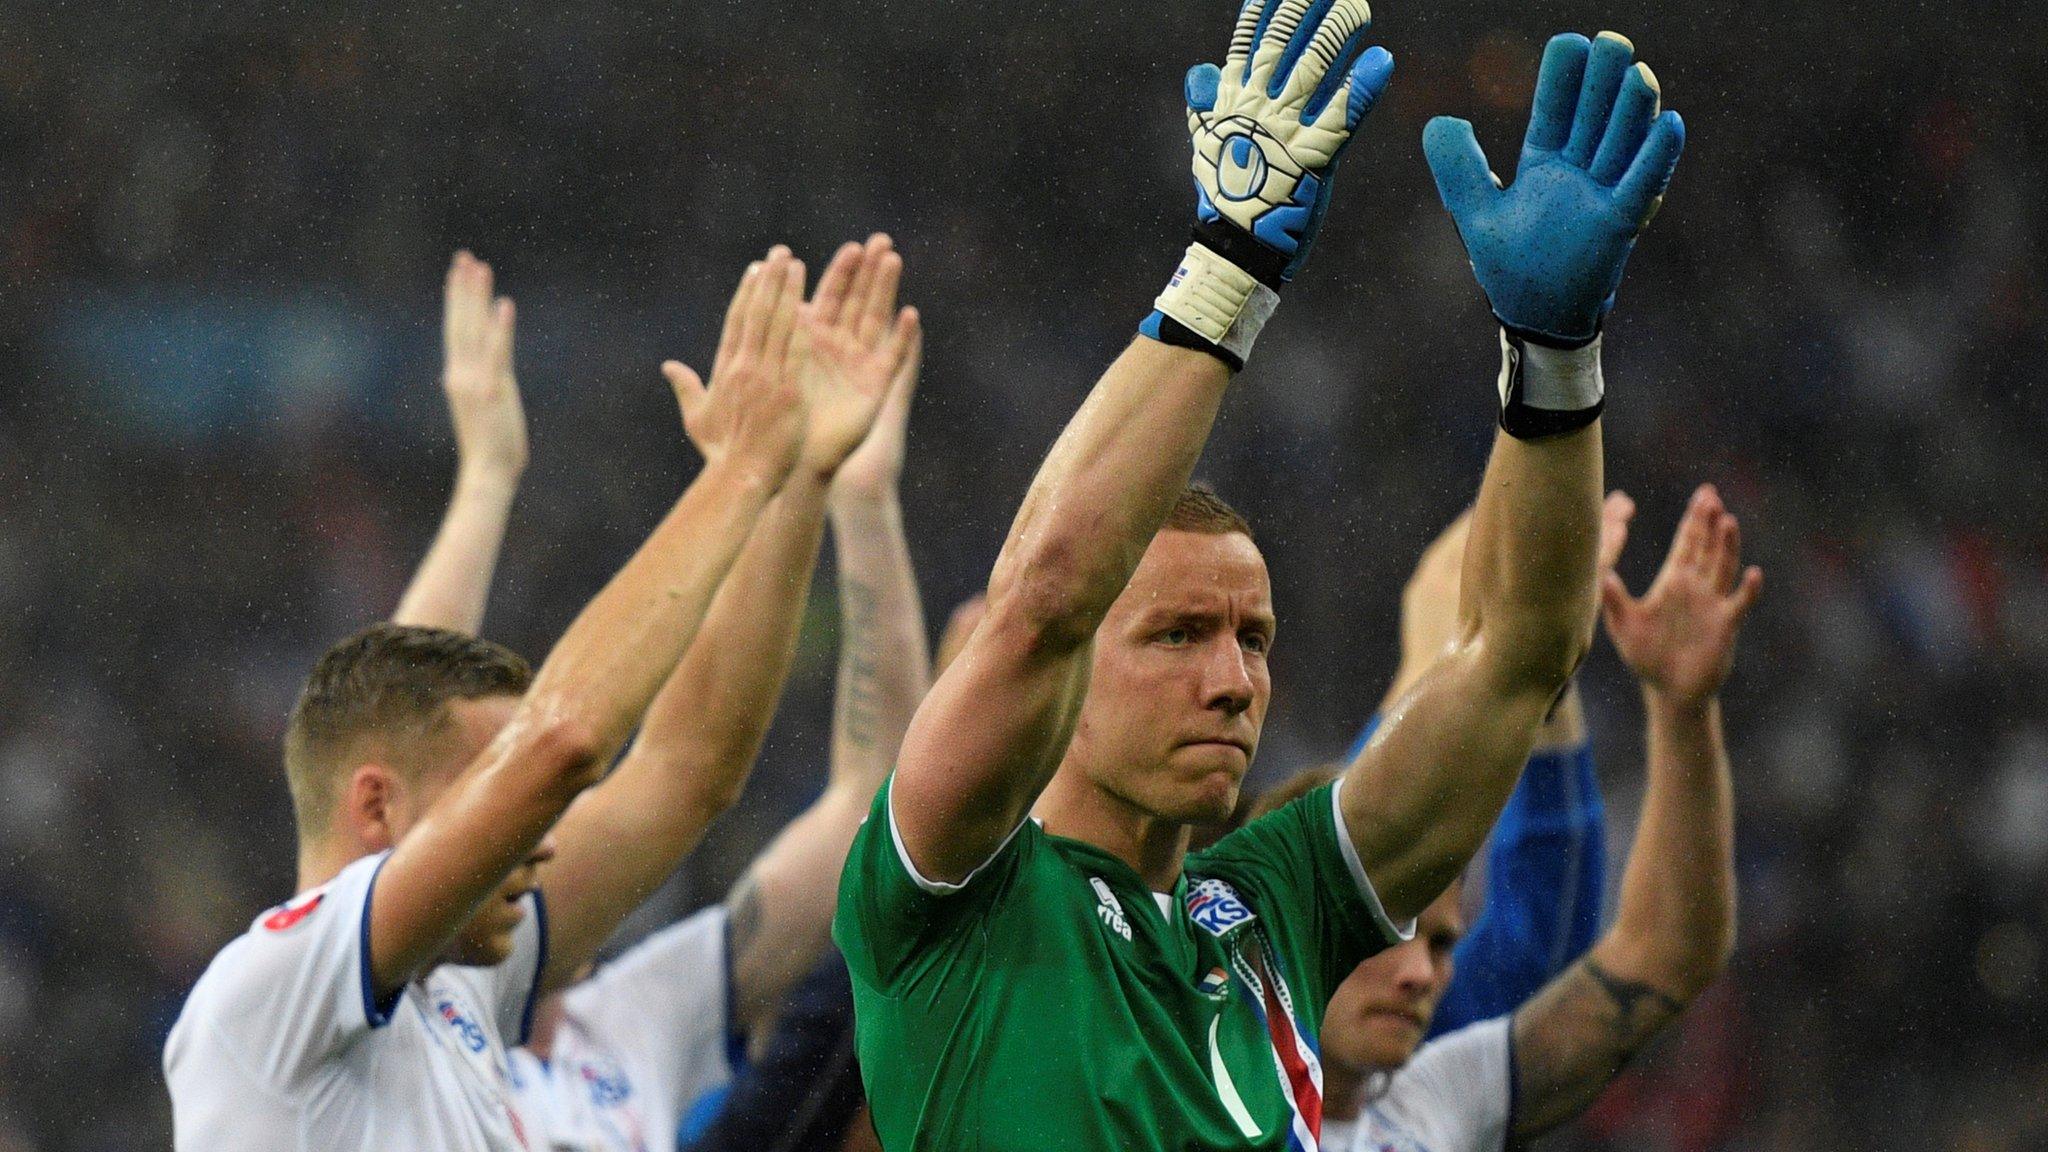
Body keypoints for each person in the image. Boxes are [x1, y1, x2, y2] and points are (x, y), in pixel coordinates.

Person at [835, 10, 1684, 1152]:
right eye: (1178, 635)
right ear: (1076, 673)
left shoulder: (1273, 908)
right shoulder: (947, 885)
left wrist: (1553, 359)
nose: (1234, 682)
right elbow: (1041, 602)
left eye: (1253, 639)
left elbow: (1519, 660)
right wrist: (1227, 265)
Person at [163, 239, 918, 1151]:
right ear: (374, 806)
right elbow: (562, 745)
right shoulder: (271, 987)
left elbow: (689, 768)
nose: (542, 835)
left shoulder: (463, 989)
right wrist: (739, 473)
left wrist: (797, 478)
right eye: (501, 792)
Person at [509, 302, 932, 1151]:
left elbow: (876, 801)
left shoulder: (629, 1023)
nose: (562, 843)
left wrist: (856, 495)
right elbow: (684, 767)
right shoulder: (401, 1010)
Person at [1308, 483, 1760, 1151]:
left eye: (1441, 943)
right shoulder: (1181, 1079)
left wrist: (1681, 710)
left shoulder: (1433, 1102)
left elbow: (1666, 956)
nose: (1419, 974)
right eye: (1387, 929)